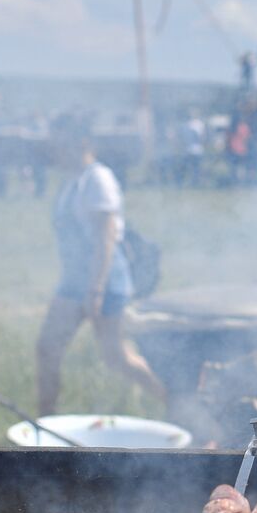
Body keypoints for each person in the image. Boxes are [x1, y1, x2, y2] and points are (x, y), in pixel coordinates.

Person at [36, 114, 167, 417]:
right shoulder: (74, 181)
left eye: (60, 142)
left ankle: (175, 404)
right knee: (47, 348)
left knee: (116, 357)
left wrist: (95, 290)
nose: (55, 149)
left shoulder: (98, 179)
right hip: (74, 281)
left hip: (104, 281)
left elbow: (106, 239)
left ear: (81, 142)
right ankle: (45, 423)